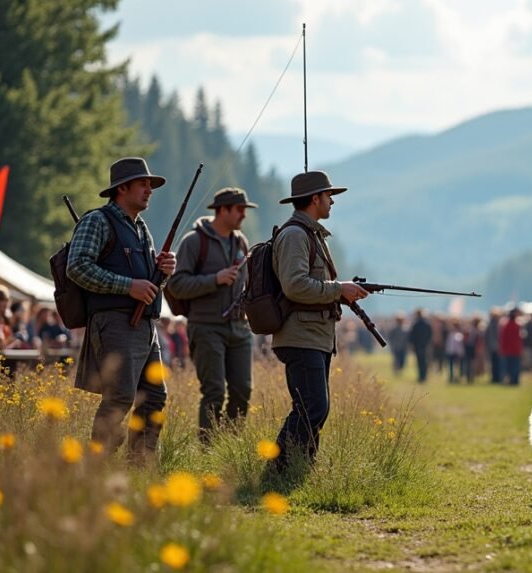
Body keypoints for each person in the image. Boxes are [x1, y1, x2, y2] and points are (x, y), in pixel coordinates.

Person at [66, 157, 175, 460]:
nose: (149, 190)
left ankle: (140, 467)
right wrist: (127, 286)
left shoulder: (141, 229)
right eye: (143, 184)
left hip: (144, 326)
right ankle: (96, 467)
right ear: (122, 188)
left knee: (154, 397)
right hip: (115, 322)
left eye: (150, 185)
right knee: (120, 398)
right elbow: (77, 268)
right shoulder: (97, 221)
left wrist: (163, 272)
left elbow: (150, 284)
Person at [264, 171, 369, 478]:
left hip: (314, 335)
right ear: (314, 199)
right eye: (328, 195)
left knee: (313, 408)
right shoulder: (296, 235)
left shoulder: (310, 234)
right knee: (313, 407)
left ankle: (300, 469)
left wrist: (341, 291)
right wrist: (339, 289)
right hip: (301, 335)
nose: (332, 200)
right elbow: (295, 286)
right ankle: (278, 470)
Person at [165, 187, 256, 444]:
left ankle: (230, 445)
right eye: (239, 210)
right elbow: (177, 285)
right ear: (223, 210)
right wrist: (214, 280)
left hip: (239, 328)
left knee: (243, 391)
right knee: (214, 391)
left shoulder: (241, 242)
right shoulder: (193, 242)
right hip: (206, 327)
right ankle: (208, 449)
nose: (243, 215)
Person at [499, 308, 523, 386]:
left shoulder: (506, 326)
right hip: (514, 350)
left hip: (509, 350)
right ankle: (514, 381)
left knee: (509, 368)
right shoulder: (516, 326)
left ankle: (511, 381)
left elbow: (503, 339)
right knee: (514, 367)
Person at [408, 309, 433, 383]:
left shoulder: (415, 324)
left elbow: (412, 336)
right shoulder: (427, 324)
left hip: (418, 345)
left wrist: (412, 344)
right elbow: (430, 335)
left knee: (420, 362)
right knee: (425, 361)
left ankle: (421, 377)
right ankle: (424, 377)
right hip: (425, 345)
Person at [486, 309, 502, 383]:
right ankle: (496, 378)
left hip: (493, 347)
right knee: (496, 363)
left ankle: (495, 377)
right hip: (496, 347)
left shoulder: (490, 324)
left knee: (494, 364)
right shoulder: (497, 324)